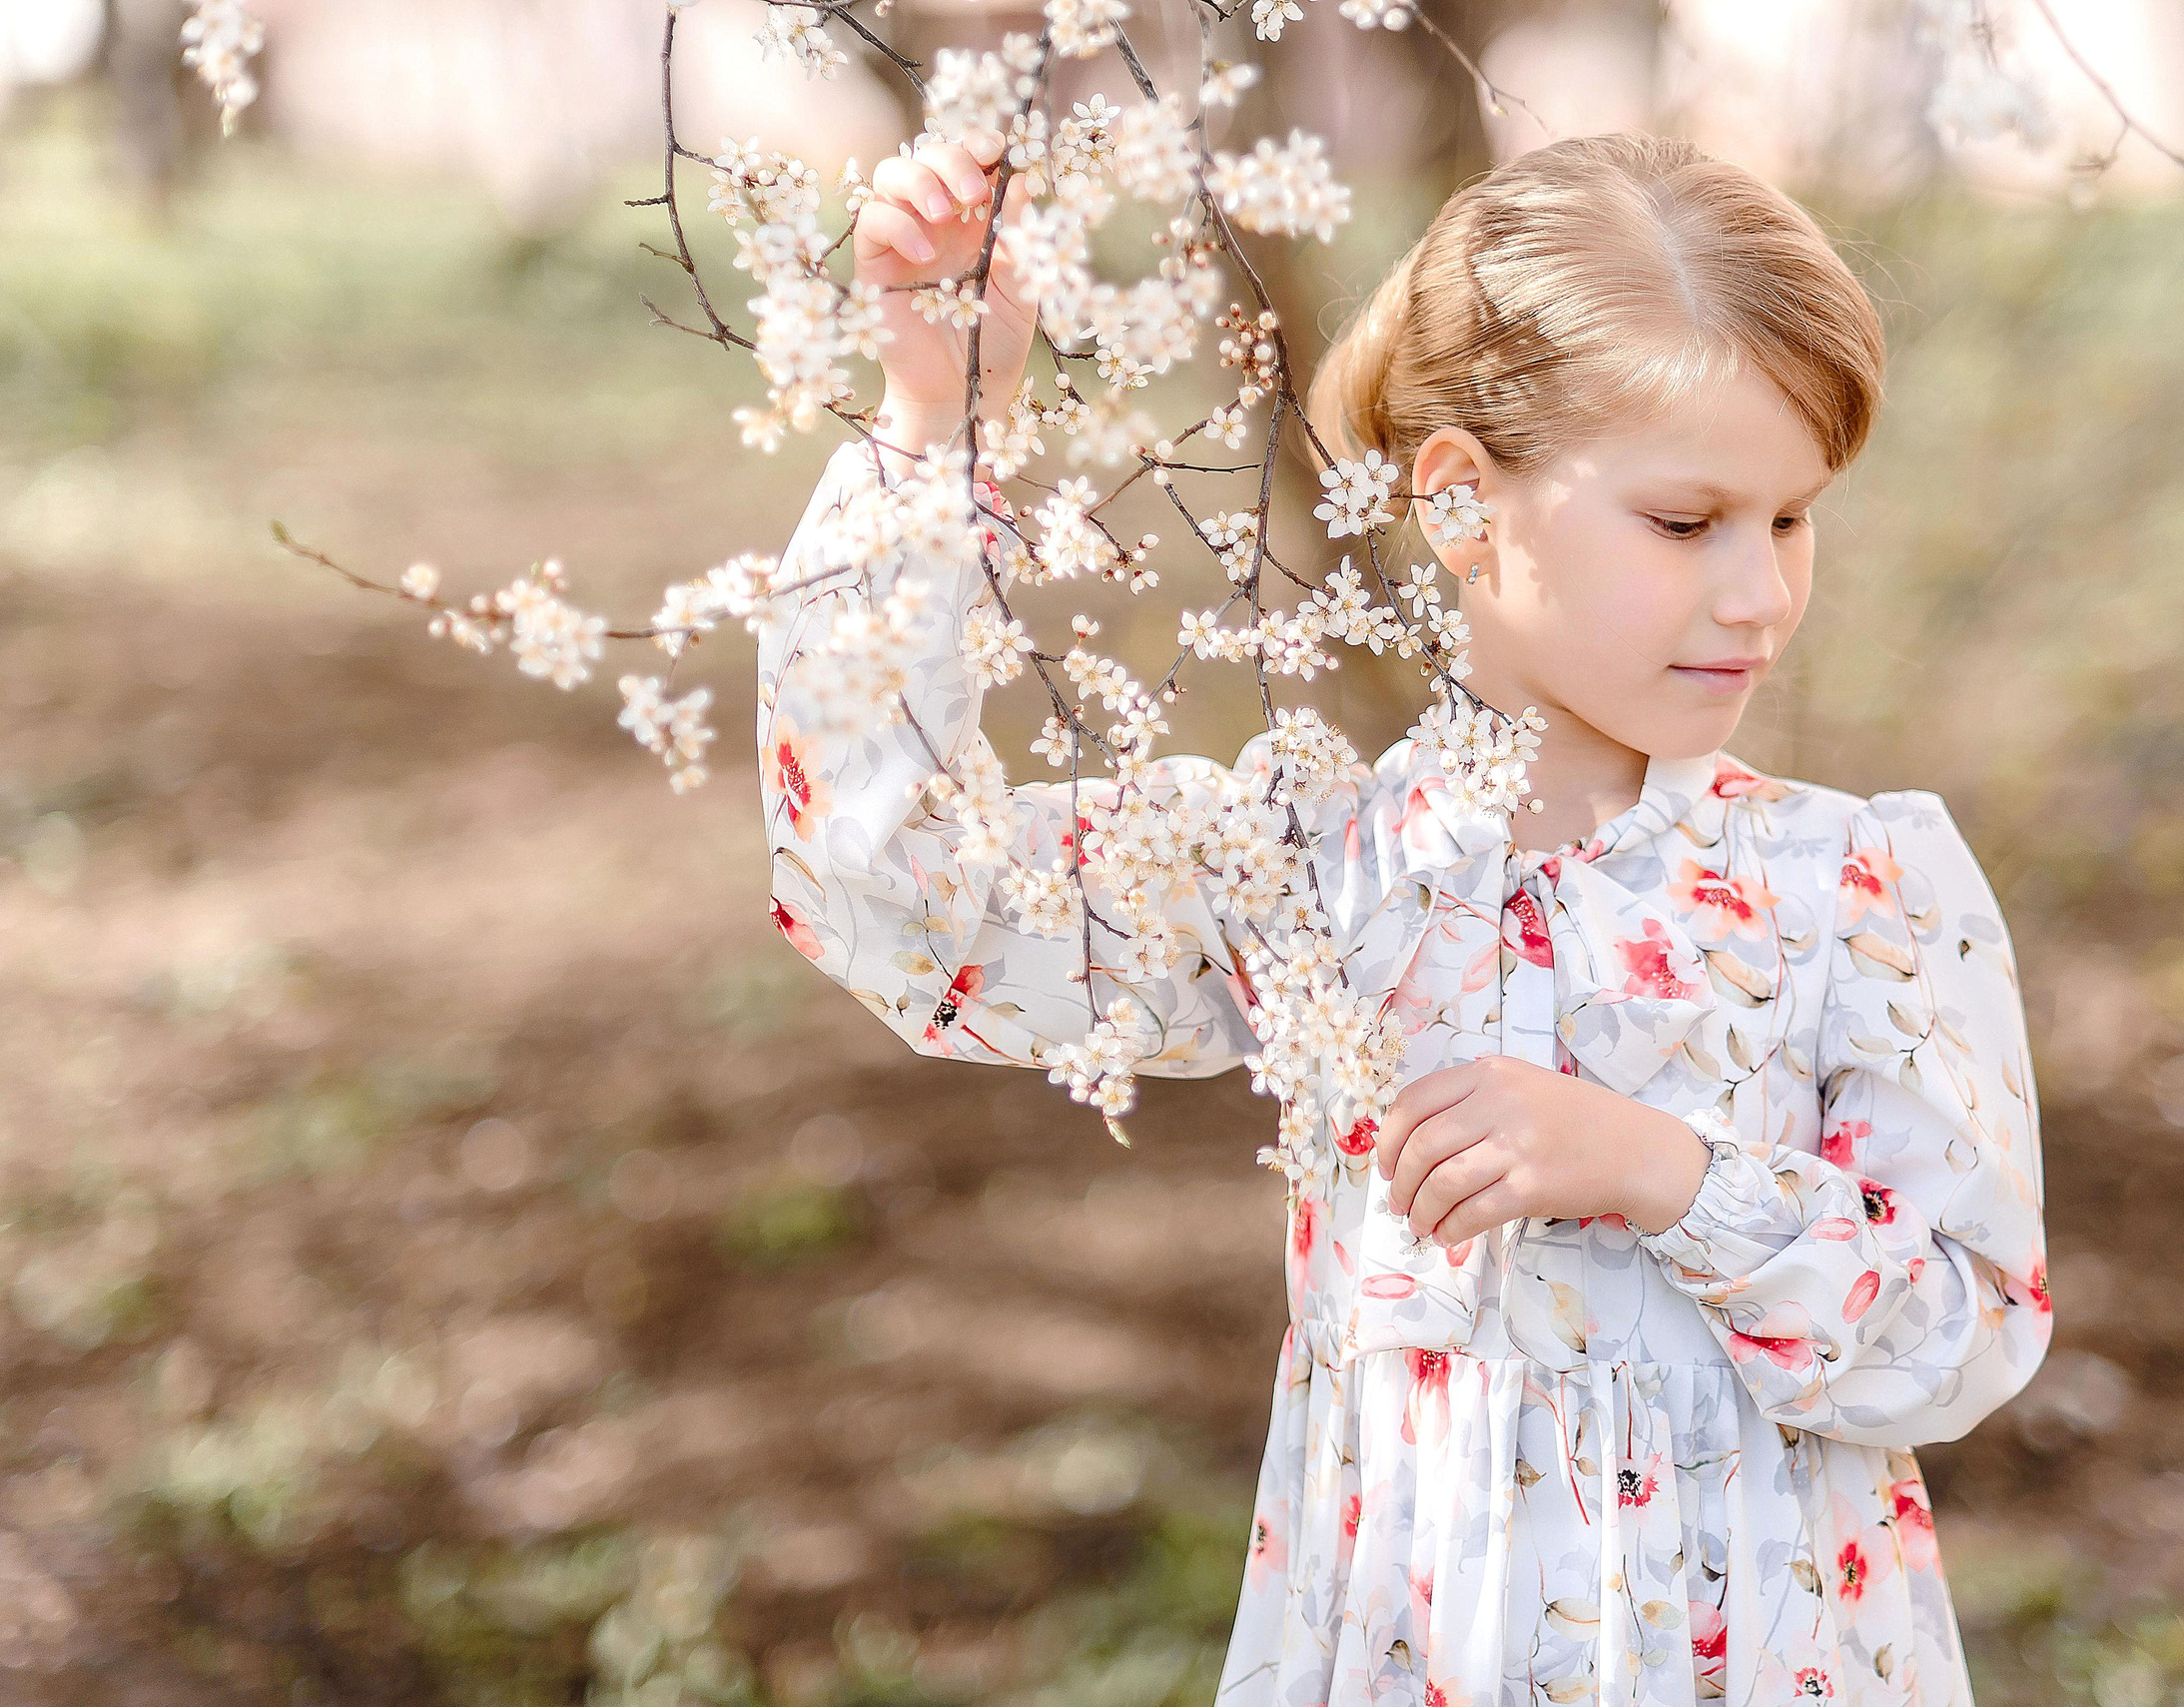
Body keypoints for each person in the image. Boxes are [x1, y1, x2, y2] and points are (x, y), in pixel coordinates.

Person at [758, 127, 2053, 1707]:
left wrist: (1663, 1171)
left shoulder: (1852, 887)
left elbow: (1965, 1333)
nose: (1758, 593)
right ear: (1459, 502)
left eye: (1790, 520)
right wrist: (931, 419)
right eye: (1686, 521)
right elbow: (906, 903)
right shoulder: (1309, 870)